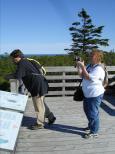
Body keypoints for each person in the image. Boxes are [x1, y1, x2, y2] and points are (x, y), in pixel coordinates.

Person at [7, 49, 56, 130]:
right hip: (39, 84)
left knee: (38, 105)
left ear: (17, 57)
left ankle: (40, 124)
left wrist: (7, 77)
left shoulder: (22, 63)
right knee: (41, 102)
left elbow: (18, 76)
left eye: (13, 58)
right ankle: (51, 117)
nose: (12, 60)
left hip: (37, 86)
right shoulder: (25, 61)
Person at [76, 49, 105, 139]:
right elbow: (81, 75)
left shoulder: (99, 68)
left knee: (93, 113)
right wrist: (79, 66)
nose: (90, 56)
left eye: (92, 55)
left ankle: (94, 132)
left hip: (95, 94)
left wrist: (83, 67)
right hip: (87, 94)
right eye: (91, 54)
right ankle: (91, 126)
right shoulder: (90, 66)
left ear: (97, 57)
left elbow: (88, 77)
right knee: (87, 111)